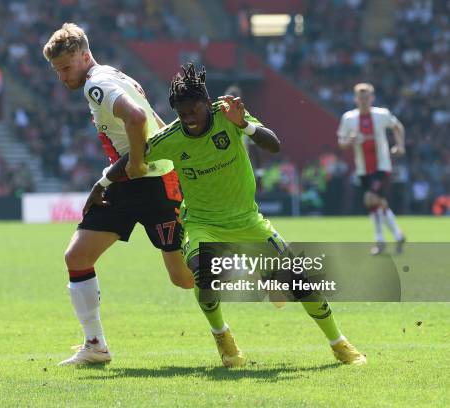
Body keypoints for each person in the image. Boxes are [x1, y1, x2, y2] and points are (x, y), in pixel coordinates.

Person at [92, 63, 366, 366]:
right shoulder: (170, 138)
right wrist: (102, 183)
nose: (189, 120)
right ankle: (222, 336)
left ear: (207, 104)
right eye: (182, 115)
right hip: (201, 224)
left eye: (194, 111)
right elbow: (133, 158)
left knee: (299, 281)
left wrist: (245, 125)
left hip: (247, 220)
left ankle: (338, 343)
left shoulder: (229, 116)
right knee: (204, 274)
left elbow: (273, 144)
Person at [42, 23, 193, 366]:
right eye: (57, 71)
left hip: (153, 182)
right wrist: (114, 176)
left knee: (183, 277)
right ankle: (95, 345)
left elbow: (138, 117)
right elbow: (154, 118)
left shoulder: (97, 84)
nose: (63, 77)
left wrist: (138, 162)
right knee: (77, 257)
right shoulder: (115, 75)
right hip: (127, 181)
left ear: (84, 56)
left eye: (66, 68)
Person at [338, 83, 406, 255]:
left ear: (372, 98)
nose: (363, 101)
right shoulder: (349, 118)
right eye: (360, 98)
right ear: (355, 99)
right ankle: (398, 235)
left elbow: (398, 126)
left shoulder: (381, 115)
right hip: (363, 169)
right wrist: (350, 140)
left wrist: (400, 145)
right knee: (379, 204)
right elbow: (341, 143)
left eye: (366, 97)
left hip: (382, 166)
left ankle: (380, 240)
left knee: (370, 199)